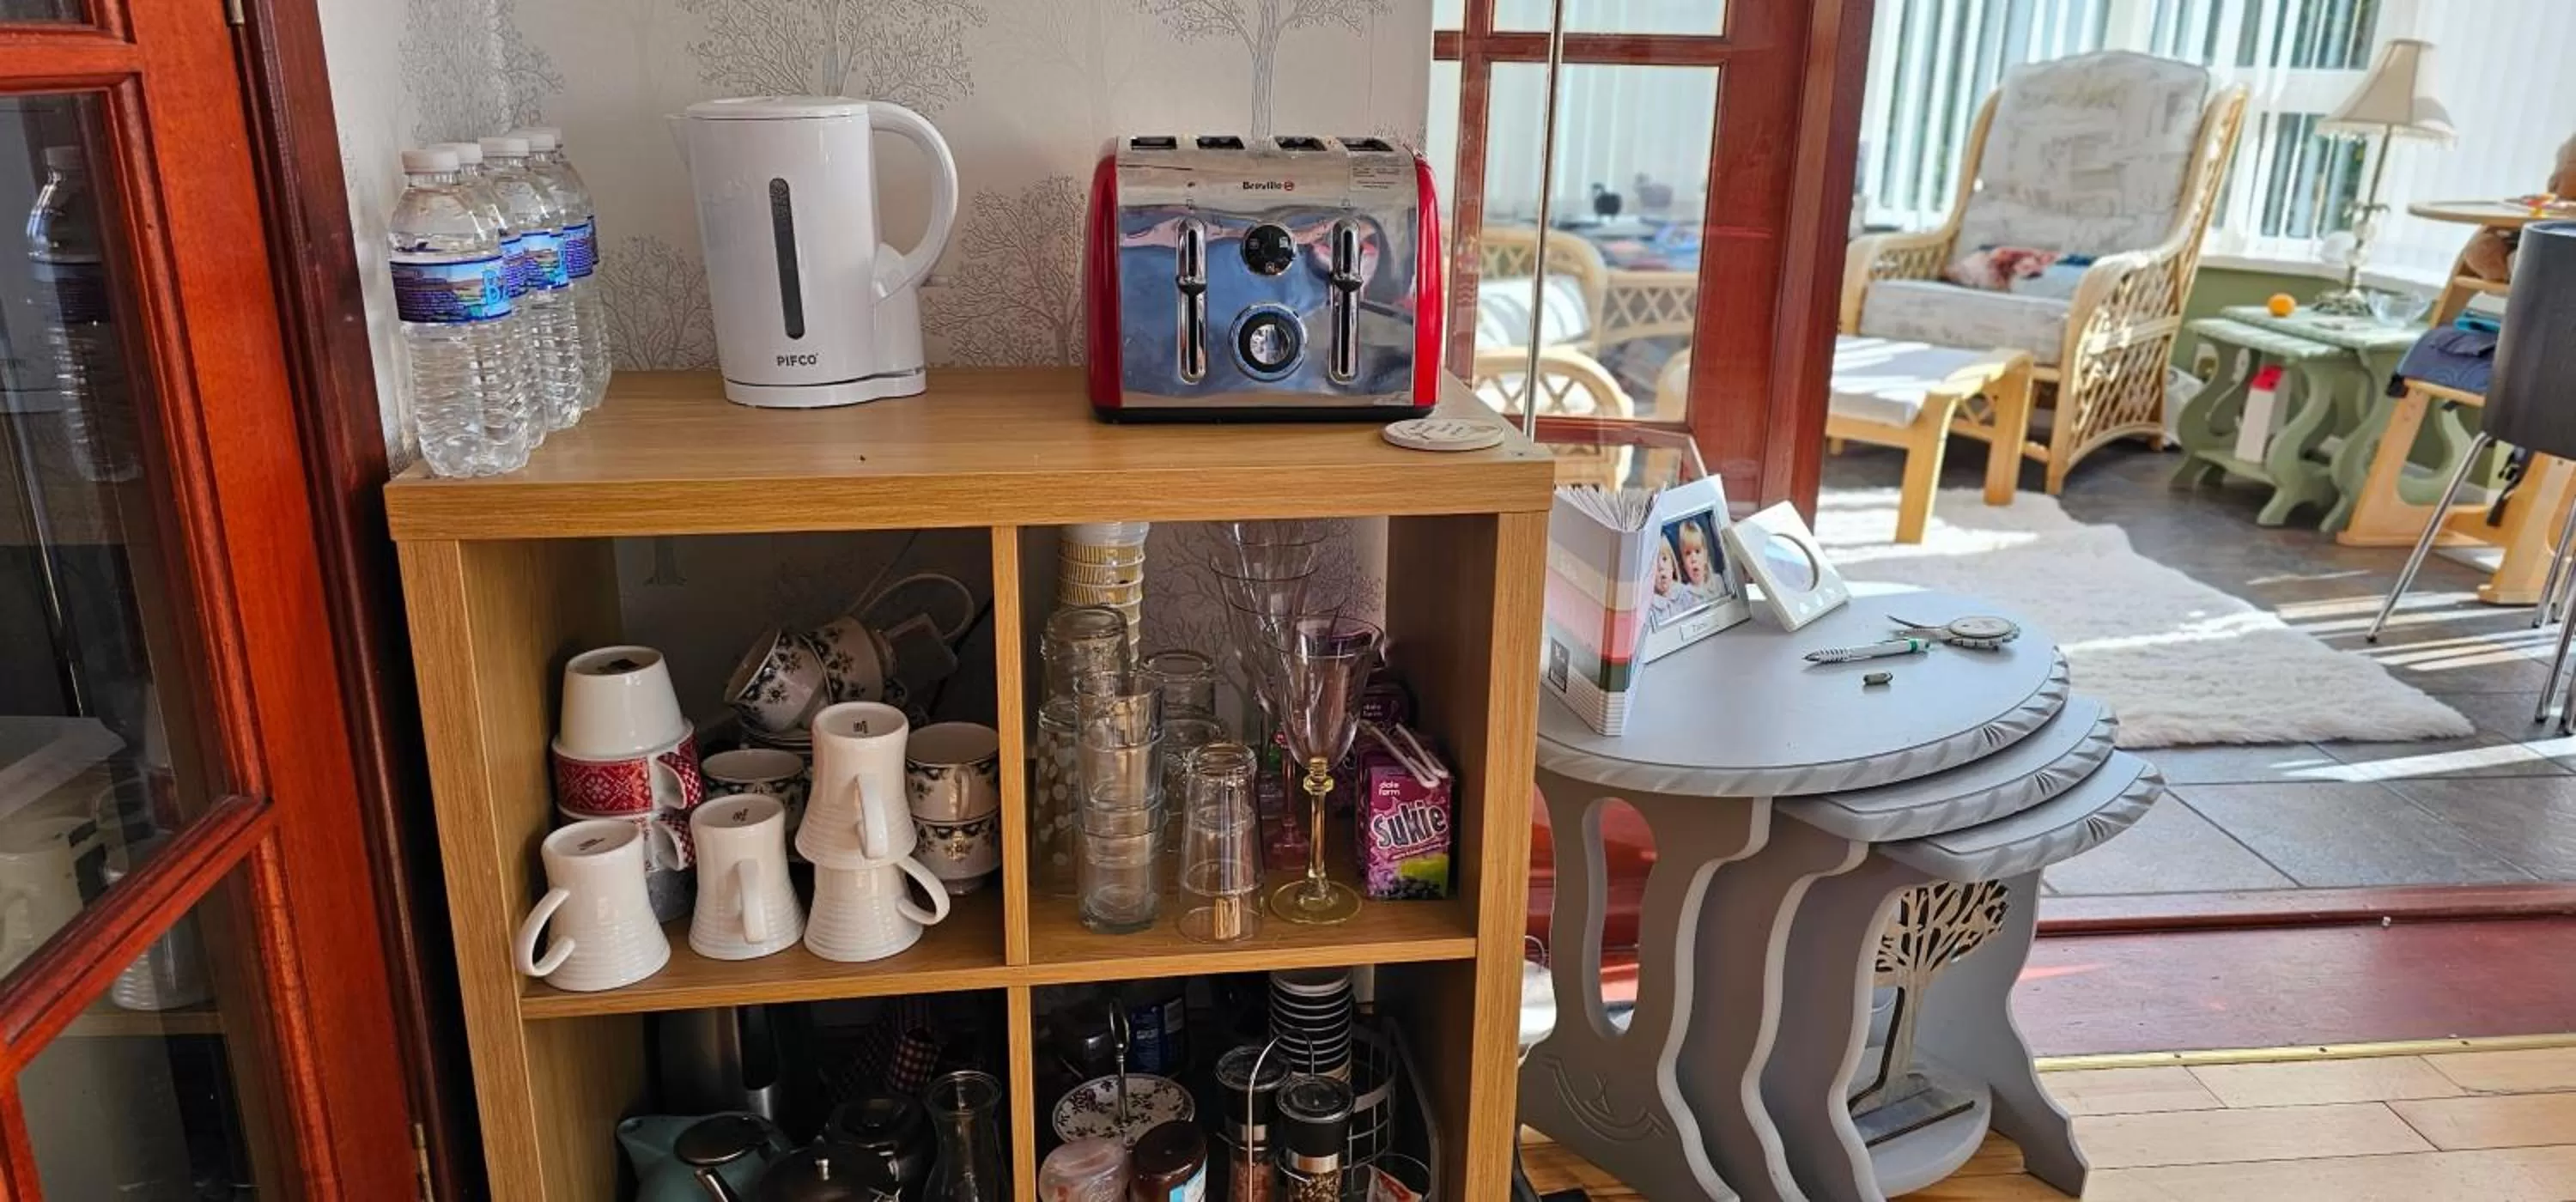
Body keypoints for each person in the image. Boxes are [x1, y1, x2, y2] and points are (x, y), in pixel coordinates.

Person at [1677, 518, 1726, 603]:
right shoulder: (1684, 594)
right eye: (1688, 553)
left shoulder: (1717, 582)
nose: (1693, 559)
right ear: (1683, 564)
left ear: (1705, 556)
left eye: (1697, 551)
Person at [1646, 536, 1691, 627]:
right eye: (1653, 562)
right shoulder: (1650, 606)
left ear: (1673, 565)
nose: (1661, 566)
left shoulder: (1684, 593)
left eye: (1665, 559)